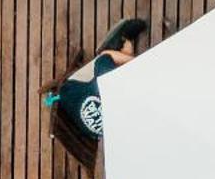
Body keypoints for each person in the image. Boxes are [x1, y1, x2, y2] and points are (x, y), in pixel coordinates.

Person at [49, 17, 149, 146]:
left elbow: (105, 58)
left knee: (106, 58)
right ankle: (125, 46)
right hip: (76, 102)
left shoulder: (105, 81)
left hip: (76, 94)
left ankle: (123, 46)